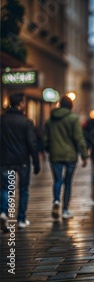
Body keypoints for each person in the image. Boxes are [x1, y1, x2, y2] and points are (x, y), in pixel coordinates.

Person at [43, 96, 88, 220]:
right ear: (70, 106)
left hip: (55, 155)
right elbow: (78, 138)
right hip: (70, 156)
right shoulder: (73, 119)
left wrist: (49, 149)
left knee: (57, 181)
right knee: (67, 182)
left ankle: (56, 201)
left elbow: (45, 139)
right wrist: (84, 155)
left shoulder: (50, 120)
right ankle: (65, 210)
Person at [0, 93, 40, 231]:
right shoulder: (26, 122)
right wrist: (36, 162)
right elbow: (32, 143)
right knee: (23, 189)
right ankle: (21, 219)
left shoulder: (2, 120)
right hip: (22, 161)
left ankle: (4, 212)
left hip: (5, 160)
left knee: (6, 188)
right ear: (21, 104)